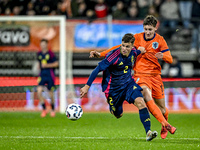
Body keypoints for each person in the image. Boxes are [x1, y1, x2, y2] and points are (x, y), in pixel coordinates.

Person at [90, 15, 176, 139]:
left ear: (155, 29)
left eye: (150, 29)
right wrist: (101, 54)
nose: (147, 32)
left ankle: (163, 122)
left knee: (162, 109)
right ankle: (166, 124)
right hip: (140, 75)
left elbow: (170, 59)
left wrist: (164, 57)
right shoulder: (137, 38)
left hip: (156, 76)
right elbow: (118, 48)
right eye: (145, 29)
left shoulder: (160, 40)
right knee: (145, 94)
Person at [81, 33, 158, 141]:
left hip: (128, 85)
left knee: (141, 102)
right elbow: (97, 69)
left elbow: (139, 50)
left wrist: (143, 50)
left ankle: (148, 132)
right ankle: (114, 108)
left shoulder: (134, 53)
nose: (124, 48)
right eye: (123, 45)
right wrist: (86, 86)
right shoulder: (113, 56)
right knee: (118, 114)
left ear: (132, 46)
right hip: (113, 90)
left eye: (127, 46)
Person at [37, 39, 58, 117]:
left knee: (51, 93)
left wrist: (47, 65)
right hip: (42, 75)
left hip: (50, 75)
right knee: (39, 91)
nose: (43, 46)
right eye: (41, 44)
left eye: (44, 44)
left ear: (46, 45)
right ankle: (44, 109)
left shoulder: (51, 53)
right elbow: (39, 64)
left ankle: (52, 109)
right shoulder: (39, 54)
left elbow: (56, 64)